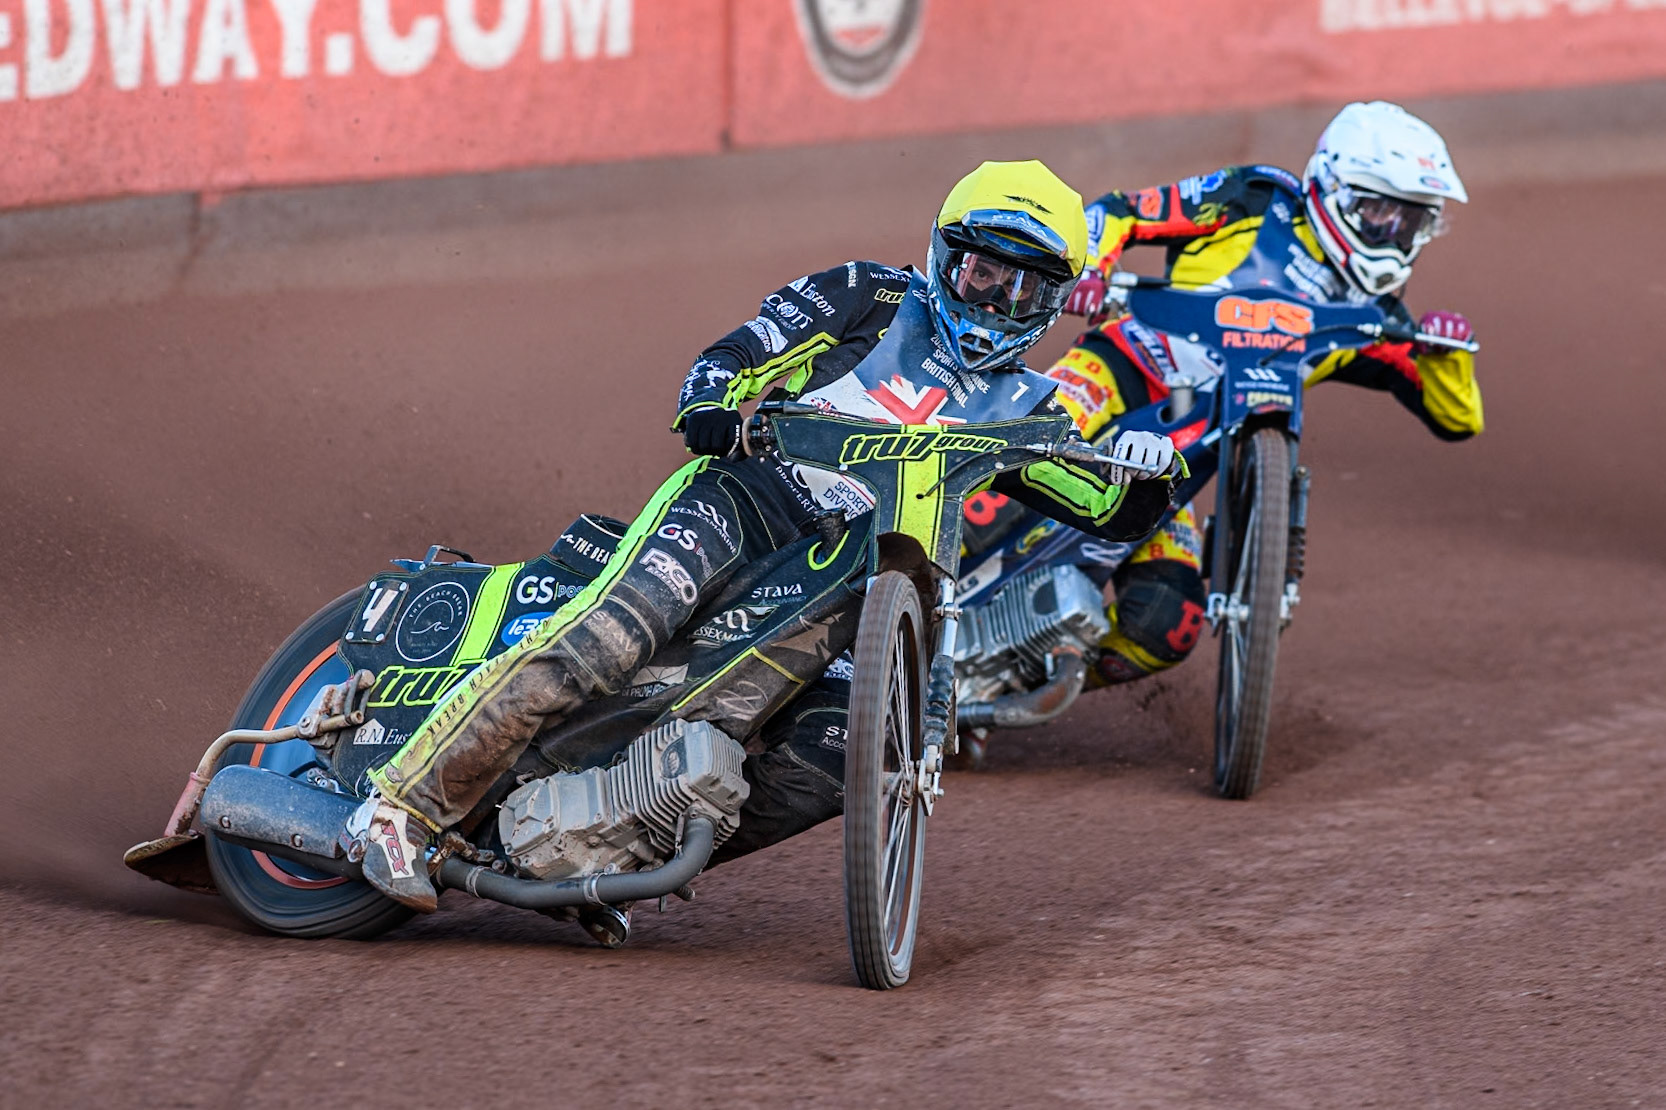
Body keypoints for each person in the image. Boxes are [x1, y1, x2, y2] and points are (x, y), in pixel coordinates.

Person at [354, 160, 1183, 911]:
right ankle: (399, 805)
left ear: (1051, 303)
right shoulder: (872, 293)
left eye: (1022, 289)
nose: (994, 300)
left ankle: (601, 856)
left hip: (864, 591)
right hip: (751, 504)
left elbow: (1103, 505)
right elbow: (749, 347)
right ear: (943, 254)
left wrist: (1154, 473)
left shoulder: (1031, 408)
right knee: (618, 632)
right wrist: (711, 399)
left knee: (834, 765)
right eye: (983, 271)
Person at [994, 101, 1485, 690]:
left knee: (1165, 627)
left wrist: (1447, 355)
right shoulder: (1254, 198)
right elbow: (1122, 212)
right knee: (1005, 459)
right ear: (1333, 188)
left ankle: (1009, 681)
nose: (1393, 234)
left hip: (1173, 465)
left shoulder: (1367, 318)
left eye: (1410, 222)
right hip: (1119, 371)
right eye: (1379, 213)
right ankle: (879, 590)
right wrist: (1093, 267)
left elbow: (1457, 419)